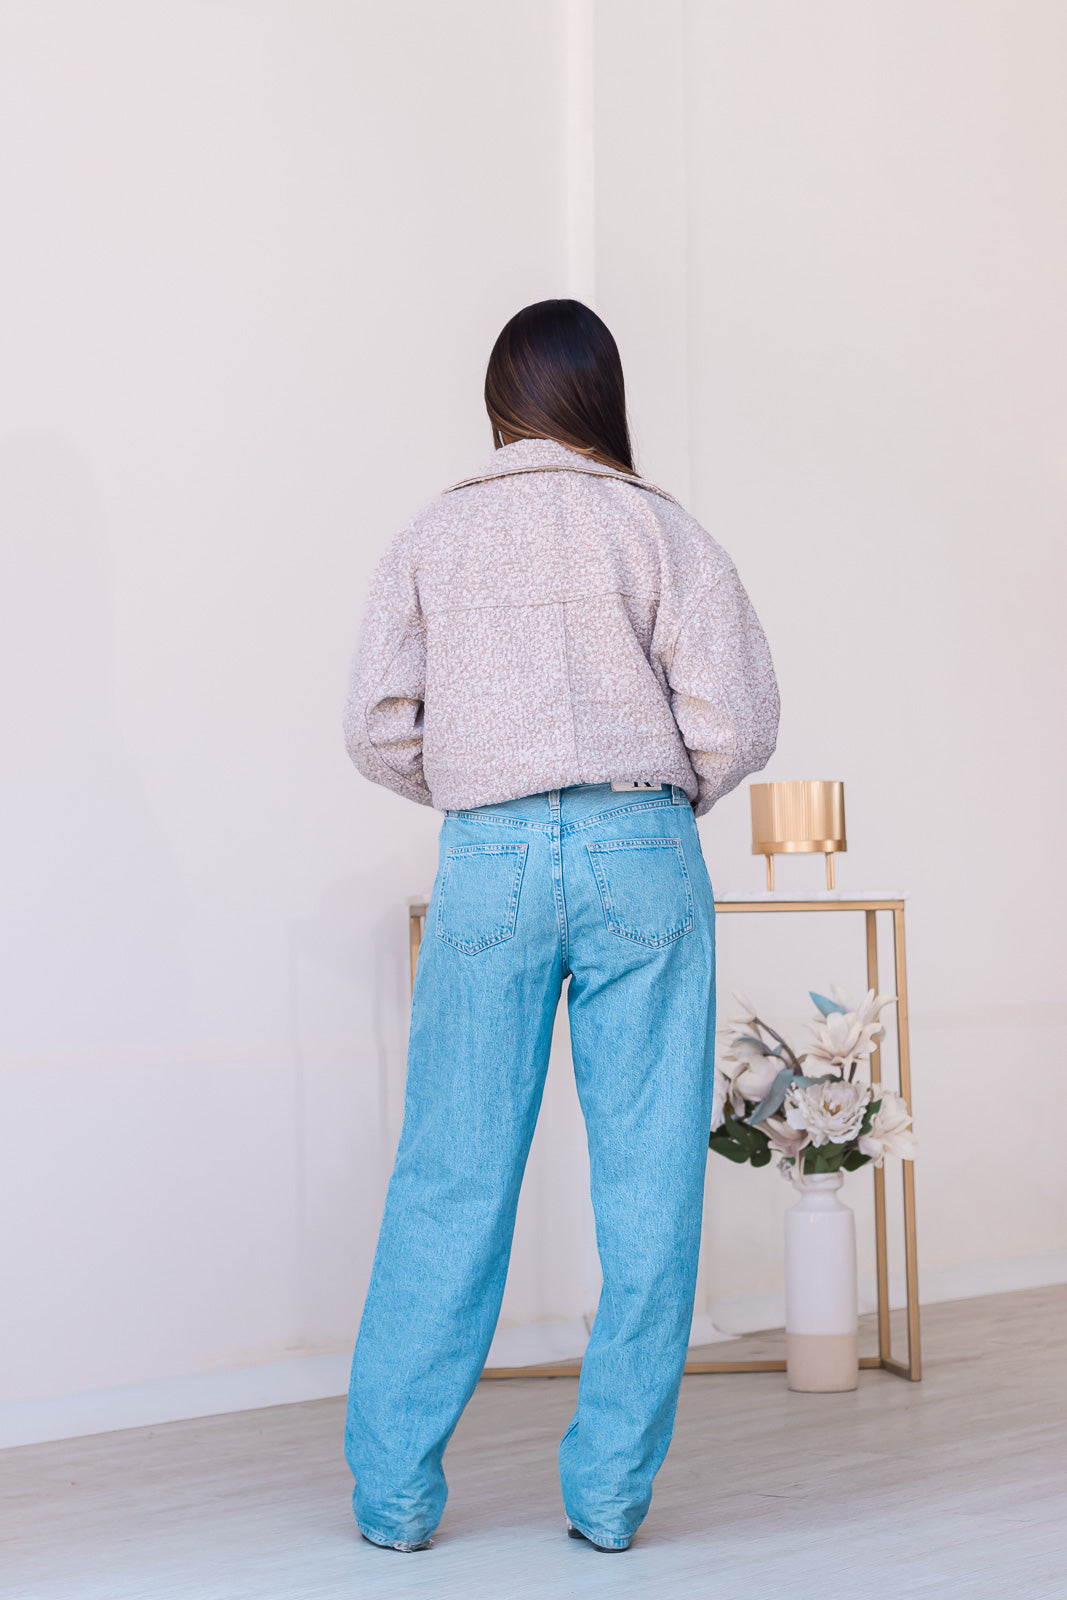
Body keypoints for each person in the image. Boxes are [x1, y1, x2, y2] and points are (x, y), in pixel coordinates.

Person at [342, 299, 779, 1553]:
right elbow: (739, 719)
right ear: (599, 396)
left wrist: (483, 790)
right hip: (641, 844)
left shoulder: (433, 534)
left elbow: (374, 725)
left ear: (500, 403)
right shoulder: (661, 528)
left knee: (450, 1170)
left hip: (487, 856)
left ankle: (394, 1497)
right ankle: (607, 1497)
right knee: (648, 1180)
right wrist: (658, 800)